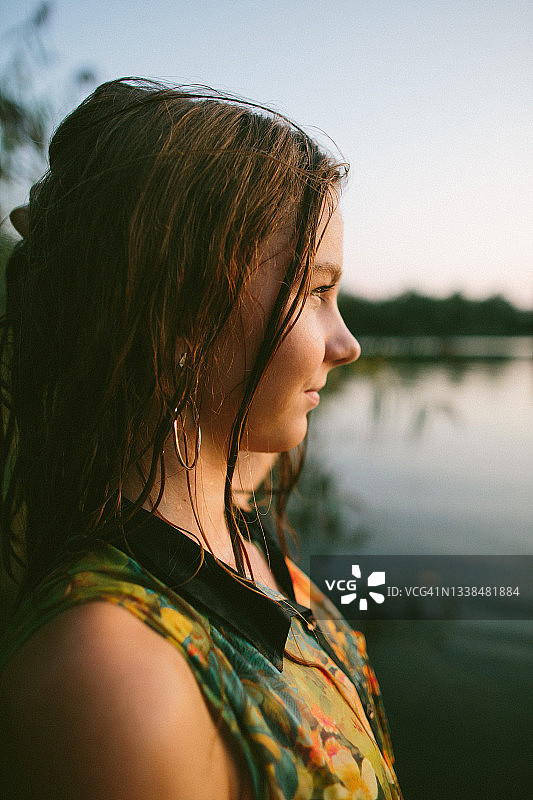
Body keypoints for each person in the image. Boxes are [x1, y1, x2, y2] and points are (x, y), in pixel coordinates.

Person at [0, 78, 402, 800]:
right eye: (315, 291)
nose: (346, 344)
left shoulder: (225, 518)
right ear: (176, 312)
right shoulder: (115, 683)